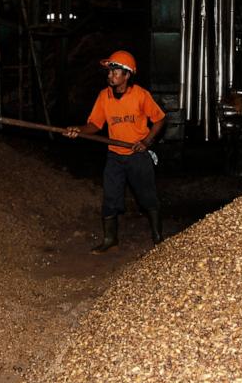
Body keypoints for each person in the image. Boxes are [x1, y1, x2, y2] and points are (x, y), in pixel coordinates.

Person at [64, 50, 166, 253]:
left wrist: (146, 141)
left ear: (127, 75)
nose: (110, 75)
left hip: (137, 155)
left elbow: (159, 119)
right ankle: (110, 240)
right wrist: (79, 130)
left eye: (115, 72)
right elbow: (94, 124)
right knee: (110, 197)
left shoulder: (140, 95)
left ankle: (158, 237)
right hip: (115, 156)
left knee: (148, 197)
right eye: (109, 72)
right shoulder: (104, 96)